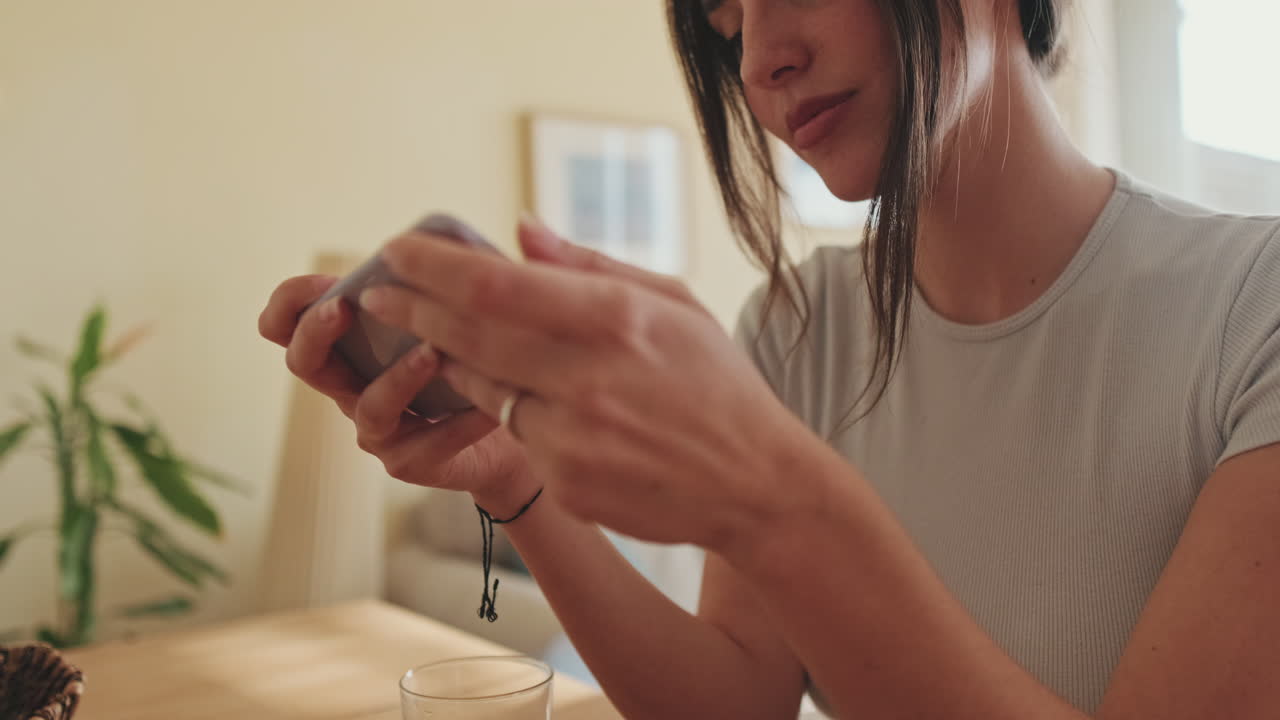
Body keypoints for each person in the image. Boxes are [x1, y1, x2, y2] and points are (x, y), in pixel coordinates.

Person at [259, 0, 1280, 717]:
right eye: (727, 25)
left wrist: (776, 498)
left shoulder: (1252, 311)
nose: (756, 63)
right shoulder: (800, 327)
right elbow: (737, 700)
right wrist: (511, 477)